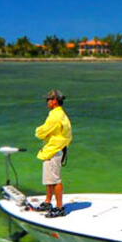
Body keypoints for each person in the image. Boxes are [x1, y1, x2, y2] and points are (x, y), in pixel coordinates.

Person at [34, 90, 72, 218]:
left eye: (48, 100)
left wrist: (38, 131)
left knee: (55, 180)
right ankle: (48, 202)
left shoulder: (55, 116)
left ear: (54, 101)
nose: (47, 102)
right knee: (49, 179)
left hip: (54, 150)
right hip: (55, 150)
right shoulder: (61, 115)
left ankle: (59, 207)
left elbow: (41, 133)